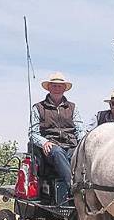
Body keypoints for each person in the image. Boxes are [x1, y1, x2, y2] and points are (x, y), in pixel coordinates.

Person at [29, 72, 85, 204]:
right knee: (58, 152)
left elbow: (79, 129)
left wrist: (82, 143)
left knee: (81, 154)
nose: (57, 88)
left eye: (60, 86)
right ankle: (73, 188)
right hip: (51, 147)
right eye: (54, 86)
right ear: (49, 88)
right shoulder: (38, 108)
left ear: (64, 88)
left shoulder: (73, 107)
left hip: (71, 145)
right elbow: (33, 133)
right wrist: (44, 142)